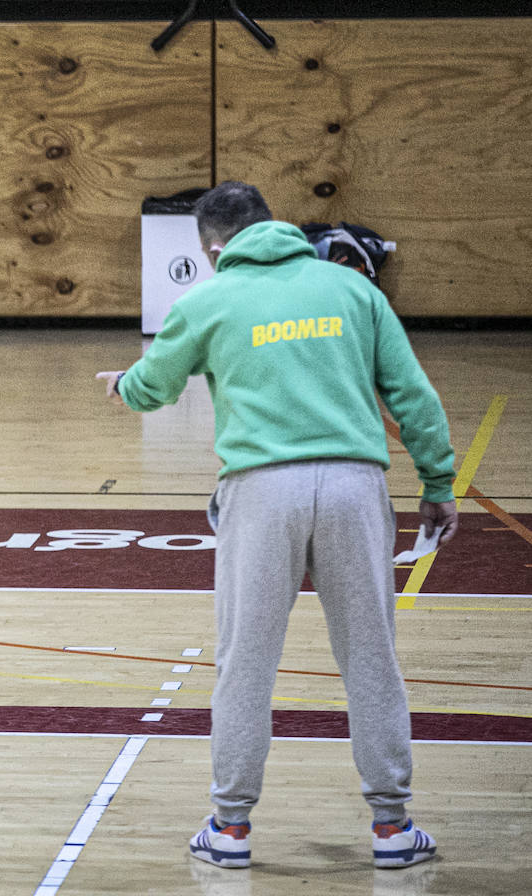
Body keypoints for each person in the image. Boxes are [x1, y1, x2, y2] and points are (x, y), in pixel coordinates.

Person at [95, 182, 456, 870]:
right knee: (371, 662)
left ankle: (230, 829)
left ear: (212, 246)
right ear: (274, 226)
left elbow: (154, 387)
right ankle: (392, 828)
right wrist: (437, 483)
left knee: (246, 666)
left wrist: (121, 385)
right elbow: (413, 395)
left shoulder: (206, 300)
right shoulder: (352, 292)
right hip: (355, 486)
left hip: (260, 493)